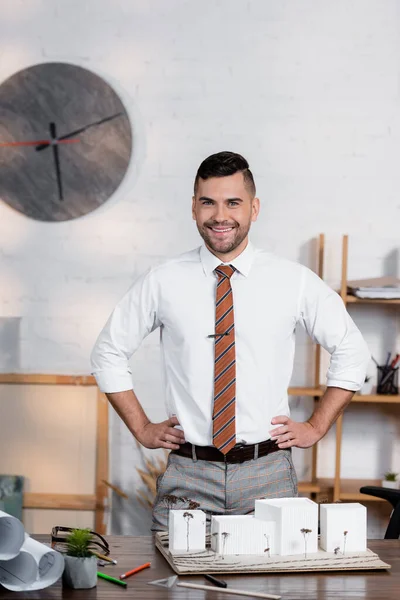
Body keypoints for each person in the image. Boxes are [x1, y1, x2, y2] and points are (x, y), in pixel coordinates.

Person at [91, 151, 370, 531]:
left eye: (233, 203)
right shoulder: (163, 281)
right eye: (208, 202)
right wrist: (141, 427)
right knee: (175, 587)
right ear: (193, 208)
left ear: (254, 208)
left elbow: (352, 351)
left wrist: (317, 426)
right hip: (188, 475)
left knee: (270, 586)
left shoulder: (294, 281)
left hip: (267, 475)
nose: (220, 216)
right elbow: (107, 352)